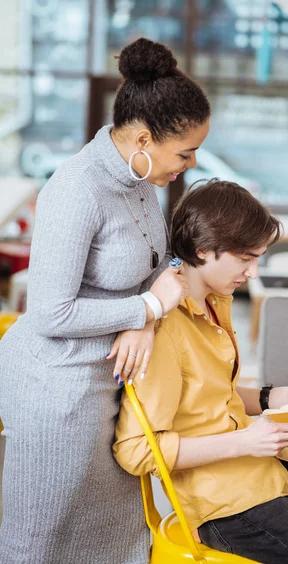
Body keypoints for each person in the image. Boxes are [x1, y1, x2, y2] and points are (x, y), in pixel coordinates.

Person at [0, 38, 210, 564]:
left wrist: (145, 318)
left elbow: (163, 265)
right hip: (56, 388)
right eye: (184, 152)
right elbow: (50, 314)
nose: (189, 164)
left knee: (114, 538)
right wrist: (147, 310)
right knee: (40, 541)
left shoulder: (141, 176)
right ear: (143, 138)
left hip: (109, 379)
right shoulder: (76, 189)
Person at [114, 180, 288, 564]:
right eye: (246, 258)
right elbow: (135, 451)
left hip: (271, 473)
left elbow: (209, 394)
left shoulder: (214, 301)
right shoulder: (166, 331)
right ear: (203, 250)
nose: (253, 272)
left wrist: (273, 396)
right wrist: (247, 442)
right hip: (232, 509)